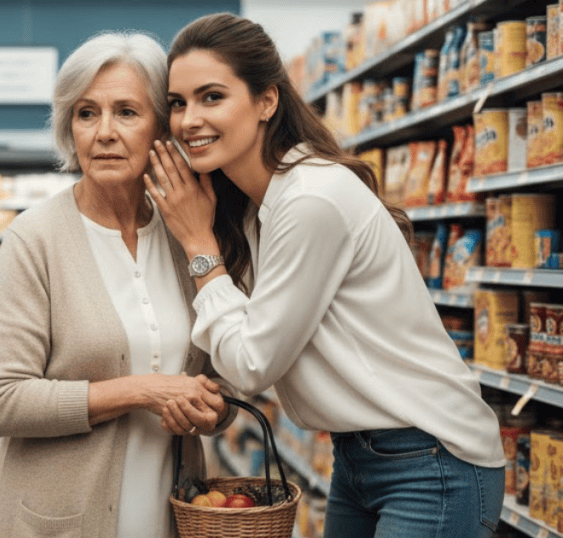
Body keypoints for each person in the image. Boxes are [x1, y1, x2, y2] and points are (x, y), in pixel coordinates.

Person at [148, 12, 506, 538]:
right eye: (178, 103)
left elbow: (253, 363)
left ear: (266, 101)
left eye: (211, 97)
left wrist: (199, 245)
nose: (188, 120)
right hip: (360, 457)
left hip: (431, 460)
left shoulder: (310, 200)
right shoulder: (255, 208)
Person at [0, 31, 237, 538]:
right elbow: (1, 400)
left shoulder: (190, 232)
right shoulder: (36, 239)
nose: (104, 132)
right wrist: (139, 390)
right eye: (86, 113)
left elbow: (218, 380)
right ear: (69, 129)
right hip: (64, 522)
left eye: (127, 112)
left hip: (172, 514)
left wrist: (214, 410)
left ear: (163, 127)